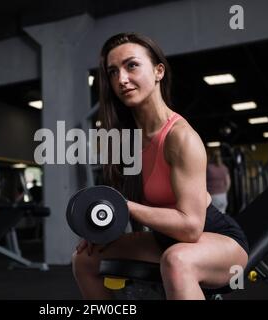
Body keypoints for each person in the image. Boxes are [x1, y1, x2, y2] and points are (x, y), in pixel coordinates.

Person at [71, 33, 249, 300]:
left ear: (158, 71)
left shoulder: (180, 136)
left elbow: (191, 228)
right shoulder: (125, 140)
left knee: (178, 261)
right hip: (164, 241)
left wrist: (125, 206)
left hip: (216, 240)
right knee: (84, 258)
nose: (121, 79)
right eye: (113, 72)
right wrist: (101, 233)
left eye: (132, 65)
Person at [206, 148, 231, 214]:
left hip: (213, 197)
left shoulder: (208, 168)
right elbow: (228, 183)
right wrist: (224, 191)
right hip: (223, 196)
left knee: (214, 218)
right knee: (222, 216)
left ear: (211, 157)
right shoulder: (224, 168)